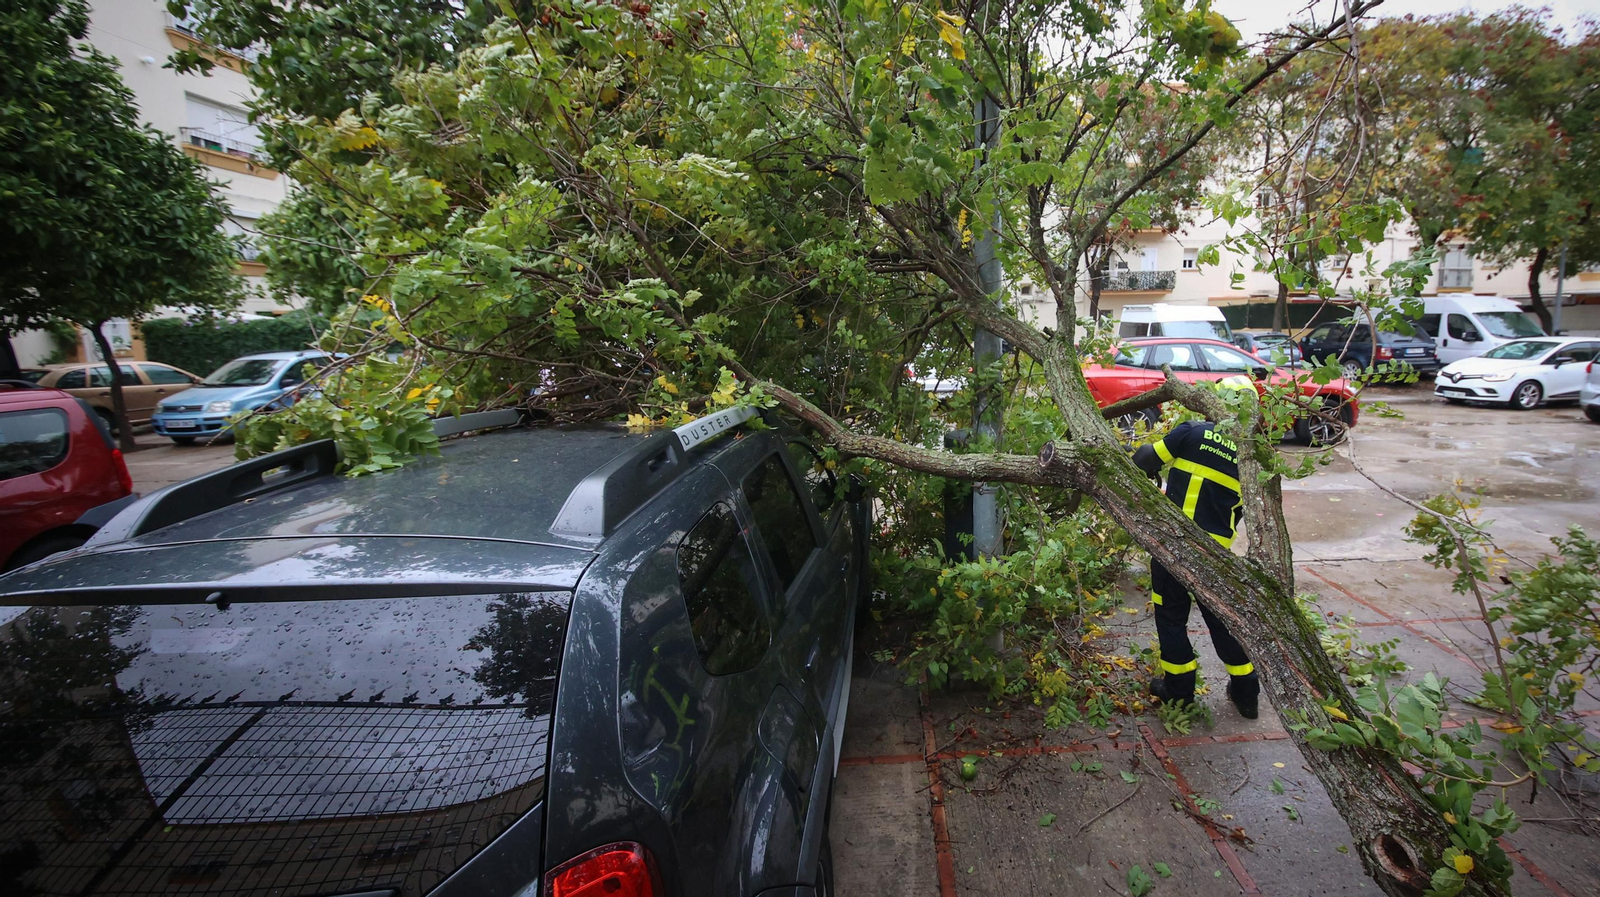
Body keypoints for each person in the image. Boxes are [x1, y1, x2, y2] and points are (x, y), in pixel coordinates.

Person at [1131, 419, 1260, 719]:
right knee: (1223, 623)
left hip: (1174, 546)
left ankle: (1179, 694)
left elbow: (1146, 460)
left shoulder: (1194, 431)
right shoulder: (1252, 454)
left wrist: (1135, 453)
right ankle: (1247, 694)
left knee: (1171, 620)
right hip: (1216, 555)